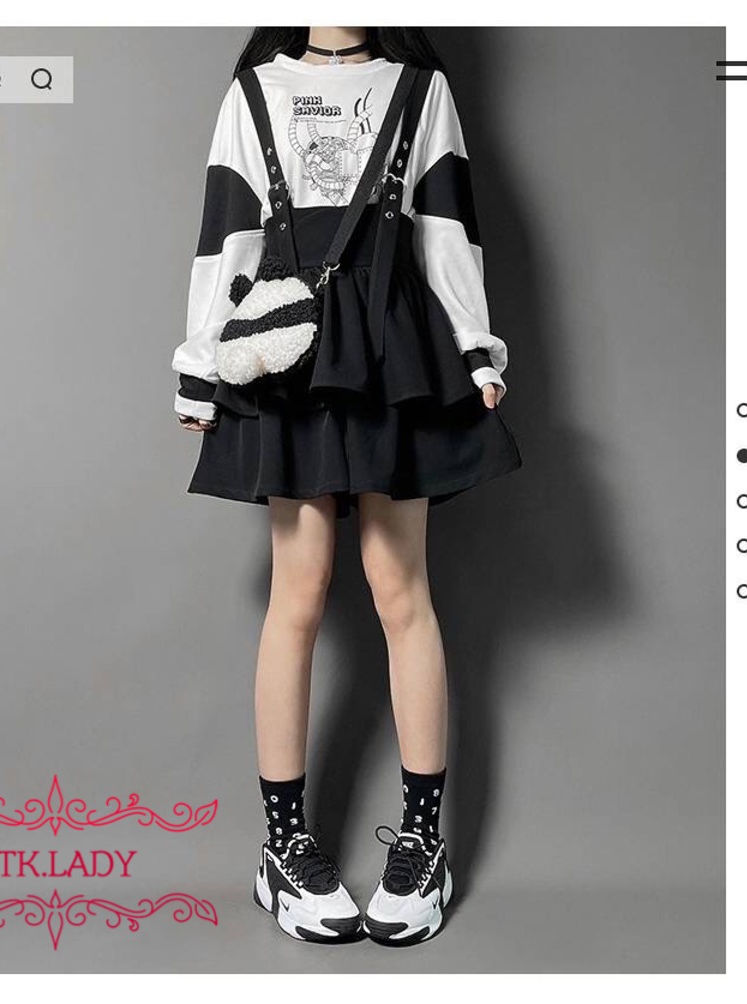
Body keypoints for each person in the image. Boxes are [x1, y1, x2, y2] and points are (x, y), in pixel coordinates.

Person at [171, 26, 522, 945]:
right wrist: (200, 366)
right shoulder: (254, 90)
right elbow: (226, 236)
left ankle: (423, 844)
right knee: (300, 589)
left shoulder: (422, 88)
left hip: (394, 348)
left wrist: (476, 348)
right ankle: (284, 849)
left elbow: (448, 230)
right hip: (290, 352)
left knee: (401, 588)